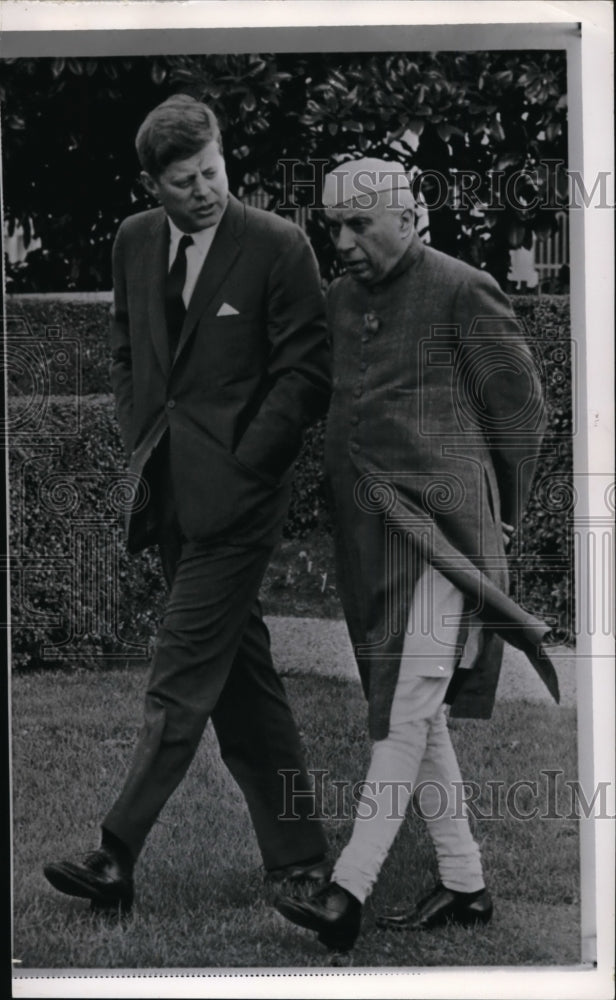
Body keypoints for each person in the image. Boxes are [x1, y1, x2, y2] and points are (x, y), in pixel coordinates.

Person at [44, 94, 331, 914]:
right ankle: (299, 858)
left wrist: (249, 465)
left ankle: (114, 851)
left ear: (221, 157)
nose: (204, 189)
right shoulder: (132, 241)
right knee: (240, 673)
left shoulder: (279, 245)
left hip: (240, 501)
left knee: (180, 671)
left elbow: (306, 372)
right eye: (183, 180)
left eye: (212, 170)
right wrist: (140, 431)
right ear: (152, 184)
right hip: (163, 490)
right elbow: (129, 349)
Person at [274, 158, 559, 953]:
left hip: (445, 542)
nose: (343, 241)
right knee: (416, 708)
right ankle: (466, 886)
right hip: (371, 546)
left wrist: (498, 521)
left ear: (408, 217)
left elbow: (523, 415)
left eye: (360, 224)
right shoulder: (341, 298)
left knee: (403, 708)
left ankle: (347, 893)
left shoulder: (464, 289)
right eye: (333, 225)